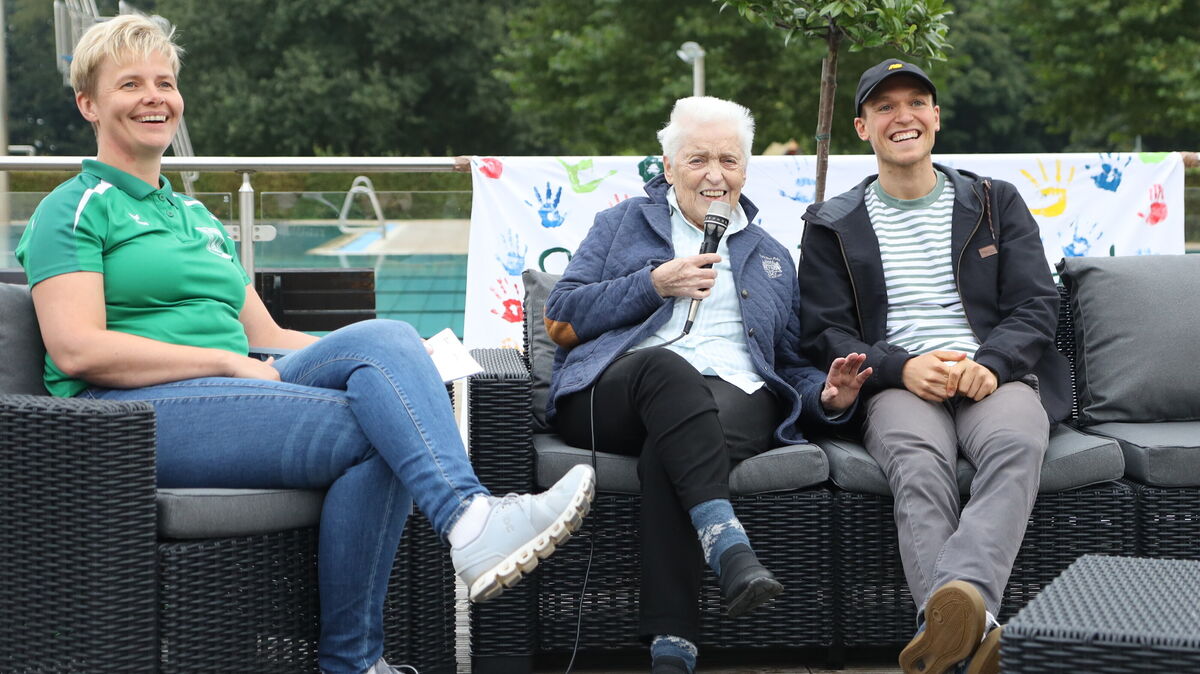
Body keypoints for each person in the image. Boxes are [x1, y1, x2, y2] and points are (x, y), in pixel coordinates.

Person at [16, 15, 595, 674]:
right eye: (130, 84)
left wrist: (398, 363)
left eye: (164, 82)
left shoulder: (196, 217)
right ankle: (394, 613)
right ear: (89, 104)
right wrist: (224, 361)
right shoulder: (73, 207)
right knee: (374, 432)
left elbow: (268, 339)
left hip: (229, 390)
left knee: (389, 341)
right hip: (129, 416)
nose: (154, 97)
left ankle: (464, 525)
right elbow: (78, 350)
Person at [543, 96, 872, 674]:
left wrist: (824, 397)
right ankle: (727, 544)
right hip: (618, 390)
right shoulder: (620, 225)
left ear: (745, 169)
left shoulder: (771, 256)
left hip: (732, 396)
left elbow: (788, 361)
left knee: (672, 448)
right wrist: (654, 284)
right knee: (667, 370)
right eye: (698, 160)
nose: (715, 175)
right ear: (669, 167)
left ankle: (673, 645)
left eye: (729, 160)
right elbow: (560, 319)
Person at [797, 59, 1071, 674]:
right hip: (898, 385)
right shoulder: (832, 224)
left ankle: (950, 623)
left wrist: (992, 362)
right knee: (919, 466)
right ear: (862, 127)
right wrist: (900, 368)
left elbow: (1036, 303)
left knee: (1017, 443)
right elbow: (824, 331)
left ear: (937, 117)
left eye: (916, 102)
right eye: (885, 107)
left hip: (993, 377)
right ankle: (972, 634)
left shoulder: (995, 202)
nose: (904, 117)